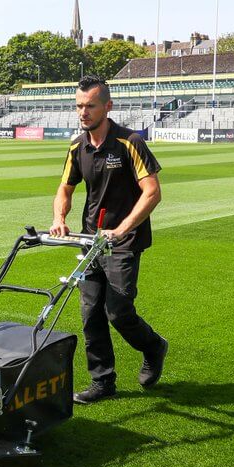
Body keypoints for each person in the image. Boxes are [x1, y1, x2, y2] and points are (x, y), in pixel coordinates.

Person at [50, 75, 168, 404]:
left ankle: (154, 346)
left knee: (118, 311)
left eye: (90, 106)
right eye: (78, 106)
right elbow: (65, 189)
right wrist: (59, 218)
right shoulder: (78, 146)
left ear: (108, 107)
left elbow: (152, 192)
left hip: (124, 242)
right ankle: (102, 381)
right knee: (90, 315)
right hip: (91, 240)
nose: (83, 112)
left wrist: (123, 228)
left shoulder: (129, 142)